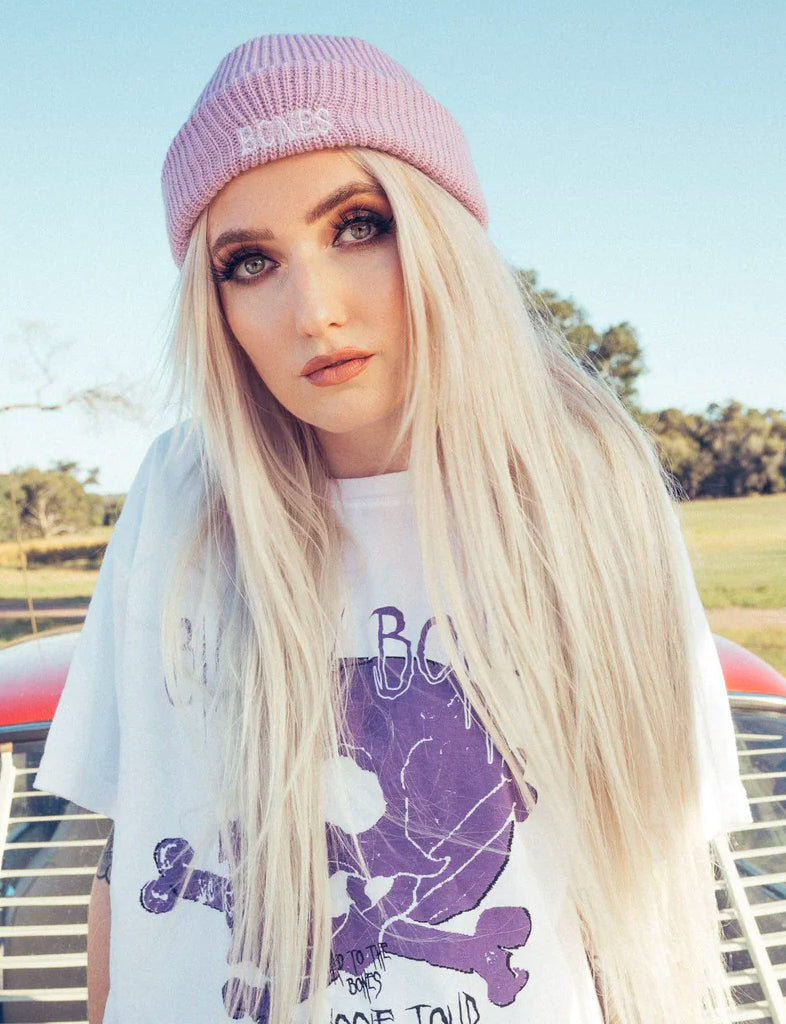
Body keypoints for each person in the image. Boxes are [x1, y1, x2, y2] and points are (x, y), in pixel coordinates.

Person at [35, 32, 751, 1024]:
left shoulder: (590, 496)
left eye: (359, 225)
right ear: (215, 306)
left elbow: (652, 891)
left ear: (440, 235)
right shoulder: (182, 495)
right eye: (250, 262)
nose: (314, 311)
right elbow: (128, 858)